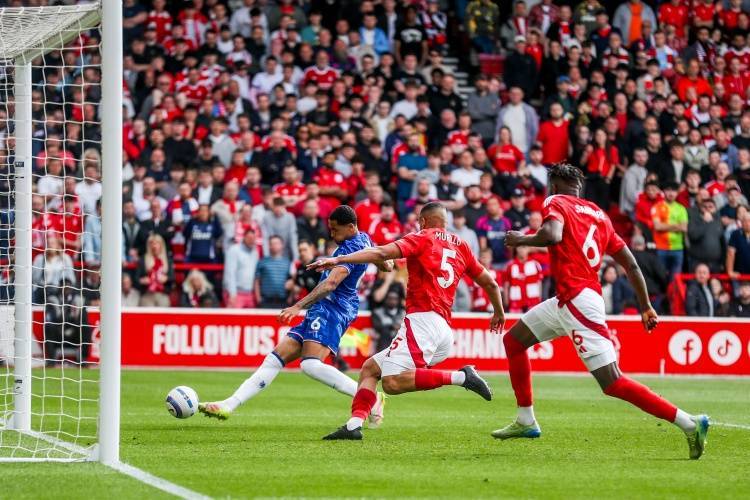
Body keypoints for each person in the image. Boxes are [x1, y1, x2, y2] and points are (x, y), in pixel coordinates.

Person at [498, 163, 709, 460]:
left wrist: (522, 239)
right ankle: (525, 419)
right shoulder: (600, 215)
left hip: (577, 301)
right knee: (514, 341)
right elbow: (630, 264)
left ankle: (690, 423)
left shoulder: (555, 202)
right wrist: (646, 306)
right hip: (569, 299)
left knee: (612, 381)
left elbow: (552, 234)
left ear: (554, 186)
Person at [311, 201, 505, 440]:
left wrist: (339, 259)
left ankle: (462, 377)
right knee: (370, 369)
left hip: (422, 322)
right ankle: (354, 425)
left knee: (391, 383)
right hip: (443, 328)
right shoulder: (462, 245)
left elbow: (381, 253)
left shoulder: (422, 237)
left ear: (423, 222)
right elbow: (490, 283)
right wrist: (499, 312)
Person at [199, 206, 390, 421]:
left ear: (351, 227)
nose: (331, 234)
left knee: (310, 365)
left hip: (333, 309)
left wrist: (297, 306)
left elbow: (331, 284)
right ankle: (228, 405)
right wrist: (382, 260)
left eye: (335, 230)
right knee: (274, 359)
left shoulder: (351, 247)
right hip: (324, 308)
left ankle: (370, 397)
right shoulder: (364, 240)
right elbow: (387, 264)